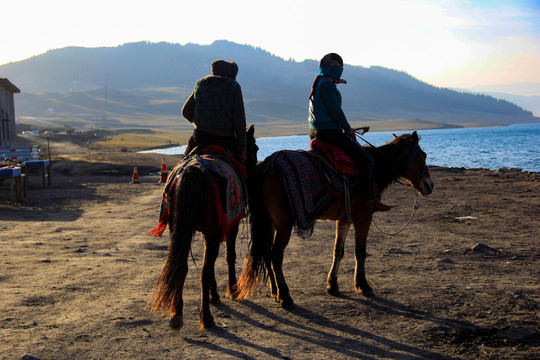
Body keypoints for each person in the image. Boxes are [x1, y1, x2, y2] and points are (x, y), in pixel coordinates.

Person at [308, 53, 390, 212]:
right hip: (329, 131)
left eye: (340, 66)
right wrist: (348, 128)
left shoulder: (322, 82)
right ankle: (369, 199)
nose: (337, 69)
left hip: (318, 130)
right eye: (334, 65)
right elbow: (335, 111)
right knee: (366, 160)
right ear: (324, 66)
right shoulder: (326, 84)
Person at [182, 59, 247, 161]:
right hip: (226, 140)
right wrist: (241, 148)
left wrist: (201, 123)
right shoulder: (234, 87)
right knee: (241, 170)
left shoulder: (202, 84)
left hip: (200, 137)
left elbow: (186, 111)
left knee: (183, 164)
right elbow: (240, 121)